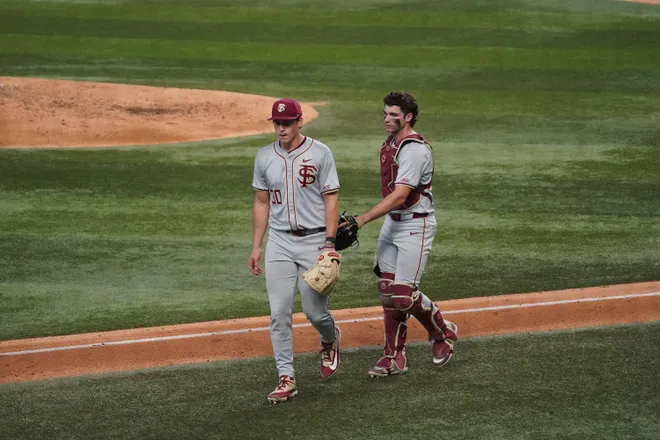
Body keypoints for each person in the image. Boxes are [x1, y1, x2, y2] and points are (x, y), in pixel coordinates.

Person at [351, 91, 458, 377]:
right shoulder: (390, 144)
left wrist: (362, 219)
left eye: (394, 115)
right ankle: (394, 356)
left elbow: (400, 196)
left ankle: (442, 332)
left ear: (408, 117)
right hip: (394, 224)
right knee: (388, 291)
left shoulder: (413, 149)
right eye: (385, 114)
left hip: (416, 224)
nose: (387, 119)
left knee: (403, 295)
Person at [249, 98, 342, 403]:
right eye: (277, 123)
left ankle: (330, 338)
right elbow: (262, 202)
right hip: (279, 243)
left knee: (315, 312)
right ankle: (286, 376)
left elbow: (331, 200)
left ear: (300, 121)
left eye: (287, 122)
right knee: (278, 312)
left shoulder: (320, 153)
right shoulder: (264, 157)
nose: (281, 128)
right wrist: (256, 246)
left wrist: (330, 243)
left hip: (314, 241)